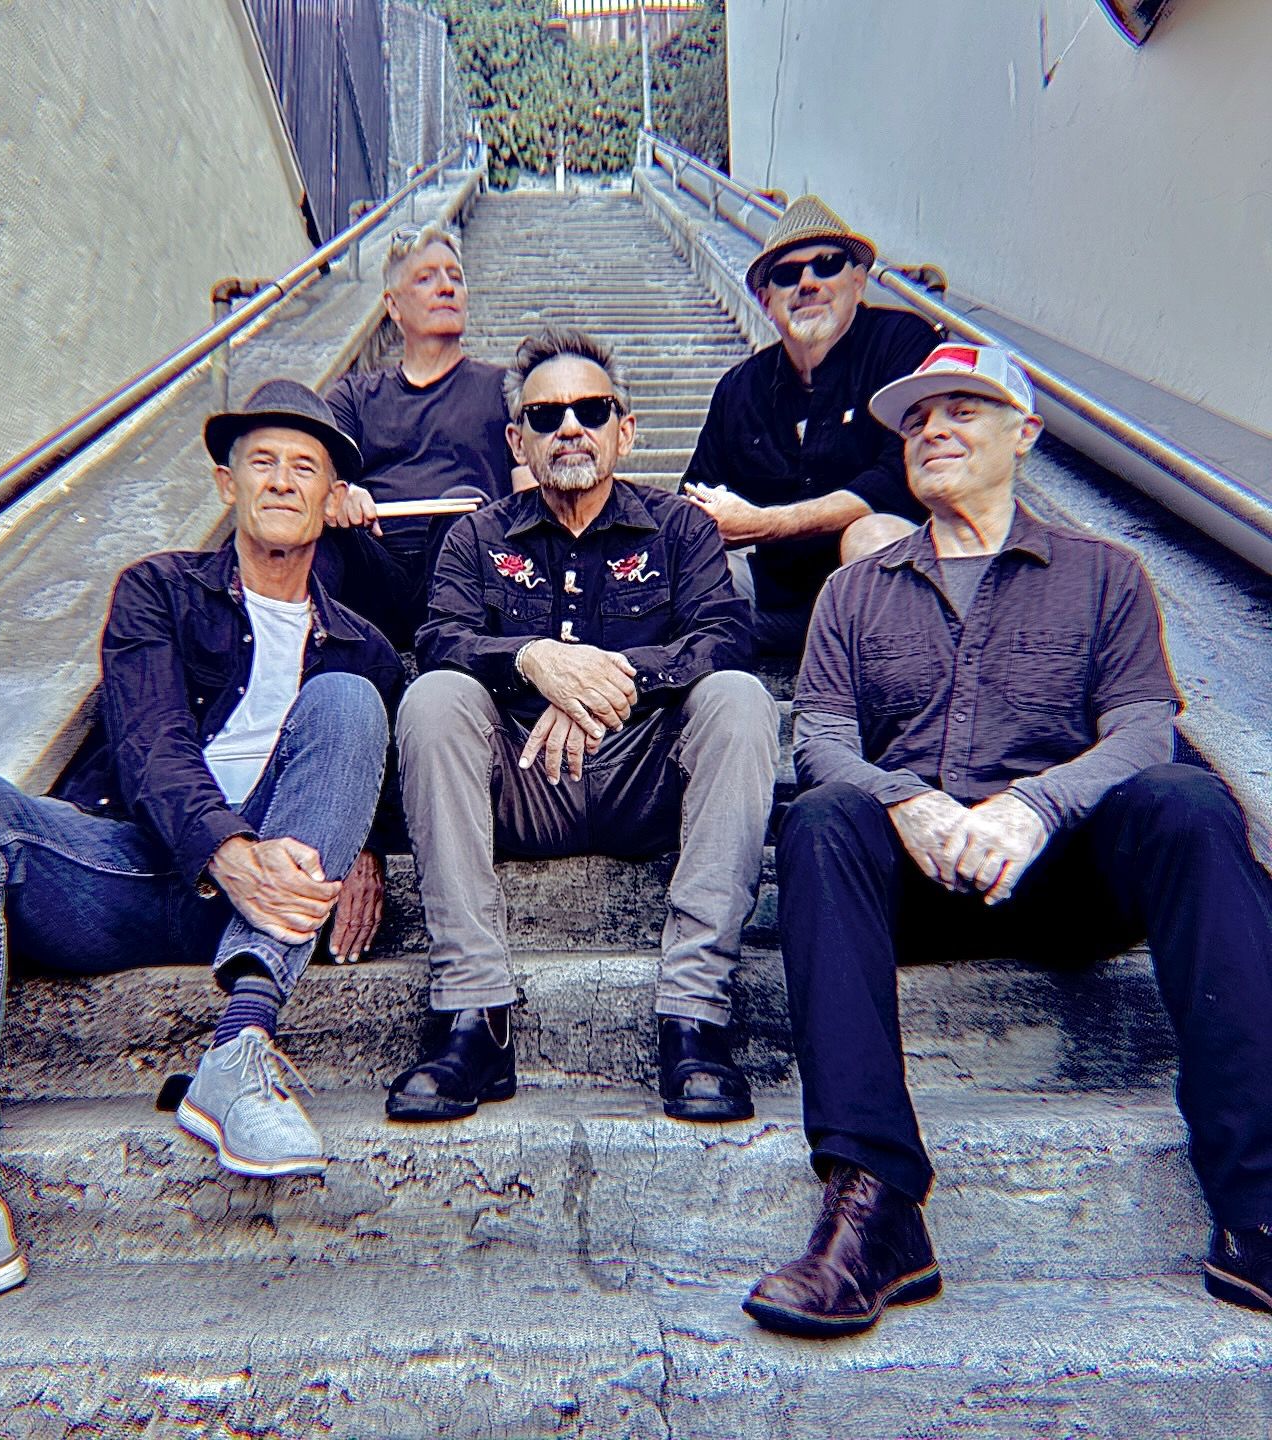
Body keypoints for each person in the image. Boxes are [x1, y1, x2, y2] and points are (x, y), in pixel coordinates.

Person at [0, 380, 404, 1350]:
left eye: (305, 467)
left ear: (331, 498)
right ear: (225, 485)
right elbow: (148, 745)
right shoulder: (159, 590)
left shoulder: (365, 647)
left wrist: (364, 849)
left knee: (349, 702)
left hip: (265, 911)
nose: (281, 480)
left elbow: (352, 768)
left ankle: (241, 1046)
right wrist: (226, 852)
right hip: (136, 866)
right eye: (262, 462)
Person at [742, 344, 1272, 1338]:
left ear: (1024, 433)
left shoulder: (1104, 574)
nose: (932, 430)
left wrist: (1037, 808)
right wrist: (908, 801)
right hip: (916, 882)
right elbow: (819, 741)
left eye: (962, 410)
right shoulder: (853, 592)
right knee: (820, 819)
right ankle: (876, 1206)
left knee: (1190, 803)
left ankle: (1259, 1204)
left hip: (1064, 878)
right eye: (916, 419)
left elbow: (1144, 728)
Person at [388, 327, 780, 1124]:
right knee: (432, 699)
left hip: (646, 778)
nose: (570, 427)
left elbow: (724, 635)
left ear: (624, 430)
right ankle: (473, 1013)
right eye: (546, 415)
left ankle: (695, 1015)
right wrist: (533, 659)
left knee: (740, 698)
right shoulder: (474, 537)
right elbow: (439, 638)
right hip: (522, 781)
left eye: (591, 410)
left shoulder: (681, 529)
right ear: (517, 442)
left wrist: (604, 682)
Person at [681, 194, 939, 659]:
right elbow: (697, 498)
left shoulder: (902, 343)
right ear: (766, 301)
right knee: (690, 565)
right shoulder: (739, 389)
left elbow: (899, 481)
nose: (808, 283)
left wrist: (765, 523)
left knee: (873, 535)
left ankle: (896, 692)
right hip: (776, 601)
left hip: (882, 595)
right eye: (787, 275)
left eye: (827, 265)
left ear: (857, 282)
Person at [315, 224, 533, 648]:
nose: (446, 287)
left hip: (471, 571)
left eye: (456, 277)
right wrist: (344, 492)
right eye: (426, 278)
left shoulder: (506, 389)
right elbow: (316, 475)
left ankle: (452, 653)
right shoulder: (354, 396)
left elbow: (532, 498)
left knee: (463, 507)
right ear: (393, 306)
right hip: (375, 567)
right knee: (316, 529)